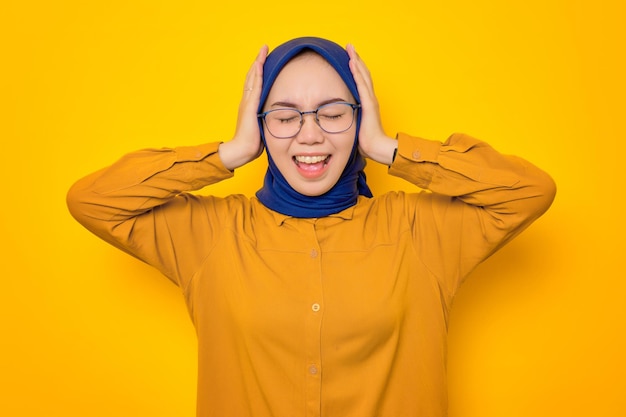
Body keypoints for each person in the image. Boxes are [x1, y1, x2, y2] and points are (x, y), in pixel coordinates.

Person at [67, 37, 556, 417]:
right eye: (284, 116)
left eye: (333, 112)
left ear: (359, 119)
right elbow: (92, 200)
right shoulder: (212, 235)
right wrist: (229, 153)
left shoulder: (419, 229)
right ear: (259, 125)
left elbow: (529, 191)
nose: (310, 134)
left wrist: (388, 148)